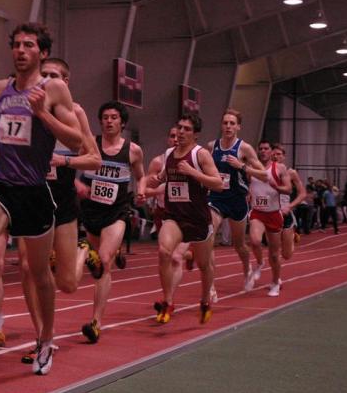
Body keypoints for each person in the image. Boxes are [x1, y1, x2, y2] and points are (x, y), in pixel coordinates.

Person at [0, 22, 81, 376]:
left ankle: (46, 339)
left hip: (34, 192)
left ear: (42, 52)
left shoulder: (54, 89)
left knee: (39, 276)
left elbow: (76, 142)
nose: (20, 50)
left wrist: (42, 114)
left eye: (28, 45)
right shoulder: (2, 88)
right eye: (16, 44)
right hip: (1, 183)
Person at [18, 57, 101, 364]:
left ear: (66, 83)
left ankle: (82, 251)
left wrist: (64, 161)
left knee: (67, 283)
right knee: (28, 268)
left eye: (56, 76)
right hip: (31, 198)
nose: (49, 80)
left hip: (63, 204)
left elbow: (94, 160)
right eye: (45, 74)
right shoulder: (23, 107)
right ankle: (41, 337)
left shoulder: (75, 113)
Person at [76, 100, 145, 343]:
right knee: (100, 265)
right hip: (91, 210)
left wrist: (142, 190)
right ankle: (101, 252)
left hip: (117, 211)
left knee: (104, 260)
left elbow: (140, 176)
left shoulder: (133, 150)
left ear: (122, 122)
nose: (109, 121)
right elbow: (69, 169)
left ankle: (96, 322)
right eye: (105, 117)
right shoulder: (89, 144)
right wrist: (77, 184)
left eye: (114, 117)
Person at [148, 113, 223, 323]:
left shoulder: (201, 155)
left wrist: (192, 172)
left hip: (198, 219)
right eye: (179, 127)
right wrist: (153, 182)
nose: (181, 132)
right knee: (164, 252)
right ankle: (168, 301)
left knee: (205, 264)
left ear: (195, 134)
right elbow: (163, 177)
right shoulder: (169, 153)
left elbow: (218, 183)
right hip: (174, 217)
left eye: (186, 129)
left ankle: (205, 300)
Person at [206, 109, 267, 291]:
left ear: (238, 127)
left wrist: (242, 166)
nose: (228, 126)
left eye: (232, 123)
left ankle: (247, 266)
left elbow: (264, 175)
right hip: (216, 198)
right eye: (225, 123)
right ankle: (210, 286)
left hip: (237, 200)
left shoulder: (244, 148)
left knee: (239, 244)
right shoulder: (211, 146)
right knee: (209, 236)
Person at [245, 141, 292, 296]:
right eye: (261, 149)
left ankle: (275, 282)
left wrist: (276, 187)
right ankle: (259, 262)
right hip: (257, 212)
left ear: (272, 152)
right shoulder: (251, 169)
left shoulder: (279, 168)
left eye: (266, 148)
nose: (263, 151)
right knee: (255, 240)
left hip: (273, 213)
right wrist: (248, 194)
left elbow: (289, 189)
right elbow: (248, 185)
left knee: (274, 253)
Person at [270, 143, 307, 262]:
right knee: (273, 252)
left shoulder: (291, 173)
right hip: (270, 213)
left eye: (279, 154)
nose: (276, 156)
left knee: (286, 255)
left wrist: (290, 207)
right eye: (273, 154)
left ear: (284, 157)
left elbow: (302, 194)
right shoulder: (265, 171)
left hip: (285, 214)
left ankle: (292, 236)